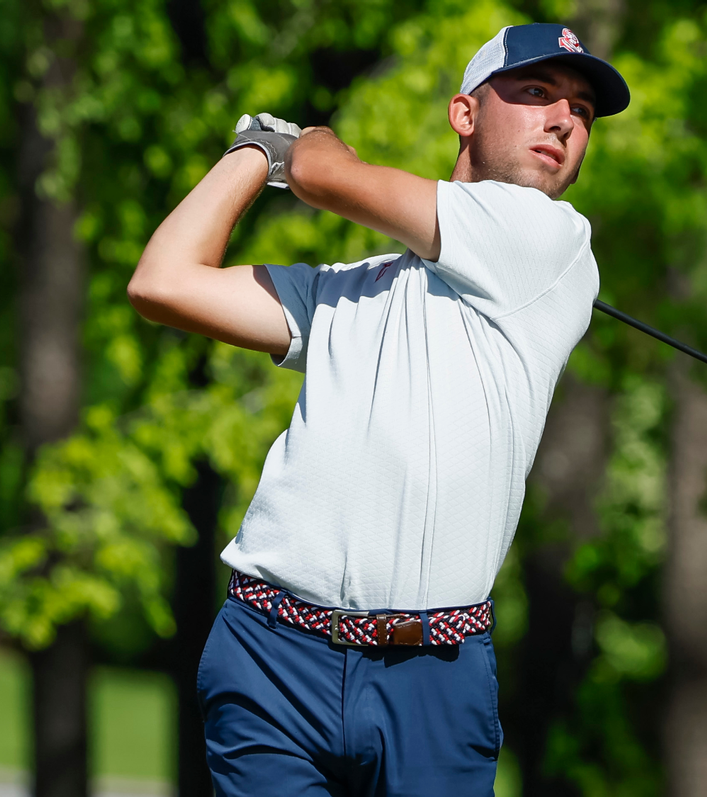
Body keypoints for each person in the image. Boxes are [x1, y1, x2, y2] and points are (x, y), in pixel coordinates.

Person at [127, 22, 631, 797]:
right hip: (270, 655)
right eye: (536, 92)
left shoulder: (551, 241)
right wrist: (251, 154)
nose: (564, 120)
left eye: (583, 111)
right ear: (465, 113)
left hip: (432, 677)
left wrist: (301, 146)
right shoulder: (349, 288)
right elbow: (161, 283)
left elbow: (323, 174)